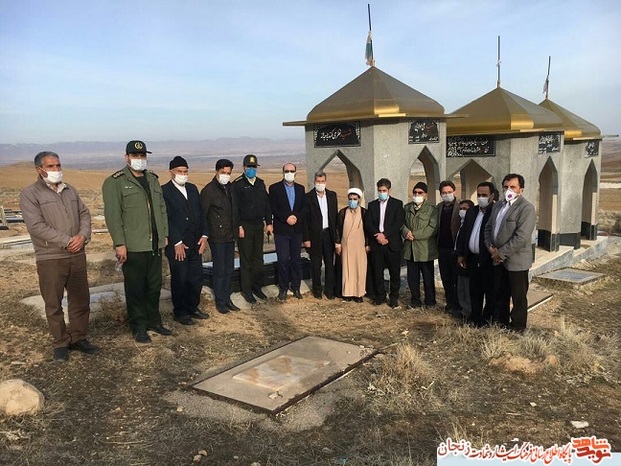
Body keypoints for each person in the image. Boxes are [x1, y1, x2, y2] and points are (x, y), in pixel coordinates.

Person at [20, 151, 99, 362]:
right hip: (51, 256)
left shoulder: (69, 189)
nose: (56, 170)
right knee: (53, 303)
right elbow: (36, 226)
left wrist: (82, 236)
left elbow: (84, 214)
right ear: (39, 169)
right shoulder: (30, 194)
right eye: (51, 166)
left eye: (58, 165)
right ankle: (61, 343)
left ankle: (78, 338)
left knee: (80, 300)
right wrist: (67, 241)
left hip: (77, 254)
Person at [102, 140, 171, 343]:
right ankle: (138, 326)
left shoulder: (153, 179)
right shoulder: (115, 182)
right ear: (127, 157)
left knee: (154, 286)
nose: (139, 159)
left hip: (154, 244)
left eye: (142, 156)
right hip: (133, 245)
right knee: (136, 288)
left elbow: (161, 209)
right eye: (135, 155)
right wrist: (119, 243)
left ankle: (154, 321)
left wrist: (164, 234)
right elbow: (113, 216)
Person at [484, 174, 536, 332]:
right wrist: (491, 248)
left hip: (516, 260)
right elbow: (488, 229)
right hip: (497, 259)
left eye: (513, 187)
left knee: (518, 295)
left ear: (521, 189)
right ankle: (501, 322)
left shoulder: (526, 208)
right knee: (500, 292)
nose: (509, 190)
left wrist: (501, 253)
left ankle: (518, 326)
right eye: (506, 187)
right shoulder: (498, 206)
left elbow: (521, 236)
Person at [162, 156, 210, 325]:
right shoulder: (164, 191)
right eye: (180, 171)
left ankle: (192, 307)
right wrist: (176, 242)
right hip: (178, 245)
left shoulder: (192, 189)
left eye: (185, 171)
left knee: (195, 277)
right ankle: (180, 311)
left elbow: (201, 213)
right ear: (171, 172)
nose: (183, 175)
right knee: (180, 278)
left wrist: (204, 235)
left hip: (195, 242)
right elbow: (166, 219)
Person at [231, 154, 273, 304]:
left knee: (258, 258)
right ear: (244, 167)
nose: (251, 169)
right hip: (245, 226)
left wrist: (269, 223)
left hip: (258, 225)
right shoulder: (237, 185)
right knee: (246, 259)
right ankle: (247, 290)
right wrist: (239, 226)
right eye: (249, 167)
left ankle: (257, 287)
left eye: (254, 167)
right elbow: (235, 208)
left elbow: (266, 204)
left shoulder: (260, 184)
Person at [200, 159, 239, 314]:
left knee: (229, 269)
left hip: (230, 235)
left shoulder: (231, 188)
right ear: (217, 171)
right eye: (223, 172)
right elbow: (203, 215)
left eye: (229, 173)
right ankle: (220, 301)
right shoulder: (208, 191)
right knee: (220, 269)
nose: (226, 175)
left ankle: (227, 298)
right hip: (217, 236)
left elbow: (234, 210)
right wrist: (205, 234)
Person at [456, 182, 496, 326]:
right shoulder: (472, 212)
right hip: (472, 258)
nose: (481, 198)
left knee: (489, 291)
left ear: (492, 196)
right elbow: (463, 233)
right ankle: (475, 317)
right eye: (479, 195)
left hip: (488, 259)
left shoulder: (495, 212)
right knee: (474, 290)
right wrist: (461, 254)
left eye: (484, 195)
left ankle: (486, 319)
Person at [269, 163, 308, 302]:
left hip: (296, 230)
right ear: (283, 172)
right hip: (282, 230)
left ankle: (296, 287)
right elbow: (273, 207)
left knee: (296, 260)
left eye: (292, 171)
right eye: (287, 171)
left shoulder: (300, 189)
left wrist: (296, 217)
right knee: (283, 260)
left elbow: (303, 208)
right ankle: (283, 288)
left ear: (295, 172)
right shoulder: (274, 188)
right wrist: (286, 217)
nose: (289, 173)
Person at [364, 178, 405, 308]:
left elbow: (398, 223)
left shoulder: (397, 204)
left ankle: (394, 298)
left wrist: (385, 235)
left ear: (389, 190)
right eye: (380, 190)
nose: (381, 193)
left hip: (391, 243)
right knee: (377, 272)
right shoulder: (372, 205)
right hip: (377, 244)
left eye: (384, 190)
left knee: (394, 273)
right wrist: (377, 235)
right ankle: (380, 296)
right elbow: (368, 223)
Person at [401, 182, 438, 309]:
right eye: (415, 192)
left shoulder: (432, 209)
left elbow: (432, 228)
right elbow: (401, 223)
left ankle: (430, 301)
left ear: (425, 194)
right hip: (410, 249)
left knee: (428, 278)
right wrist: (405, 232)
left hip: (425, 250)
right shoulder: (407, 208)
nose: (417, 195)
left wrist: (415, 235)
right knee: (413, 278)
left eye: (420, 193)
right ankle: (415, 301)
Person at [303, 171, 338, 300]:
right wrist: (306, 238)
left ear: (326, 182)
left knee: (329, 264)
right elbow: (305, 220)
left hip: (328, 234)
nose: (320, 184)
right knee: (316, 265)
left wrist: (337, 238)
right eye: (318, 181)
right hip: (314, 236)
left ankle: (329, 290)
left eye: (322, 181)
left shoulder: (332, 196)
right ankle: (317, 290)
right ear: (314, 182)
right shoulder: (308, 197)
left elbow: (334, 217)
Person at [335, 188, 368, 302]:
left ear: (359, 200)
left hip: (359, 246)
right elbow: (338, 229)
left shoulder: (364, 212)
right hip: (346, 246)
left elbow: (368, 231)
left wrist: (367, 245)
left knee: (359, 269)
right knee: (347, 269)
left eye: (354, 199)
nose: (352, 201)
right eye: (350, 199)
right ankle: (347, 293)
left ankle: (358, 293)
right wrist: (337, 244)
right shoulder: (343, 212)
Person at [437, 180, 461, 316]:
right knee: (446, 278)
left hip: (455, 249)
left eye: (449, 192)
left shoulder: (460, 206)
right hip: (442, 248)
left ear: (454, 191)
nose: (447, 195)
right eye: (444, 193)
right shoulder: (439, 207)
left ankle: (458, 305)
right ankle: (449, 303)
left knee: (456, 278)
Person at [455, 199, 475, 320]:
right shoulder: (460, 223)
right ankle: (463, 310)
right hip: (459, 257)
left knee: (467, 287)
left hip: (467, 259)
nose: (462, 211)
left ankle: (469, 311)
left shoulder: (471, 224)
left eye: (465, 209)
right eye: (461, 209)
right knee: (461, 286)